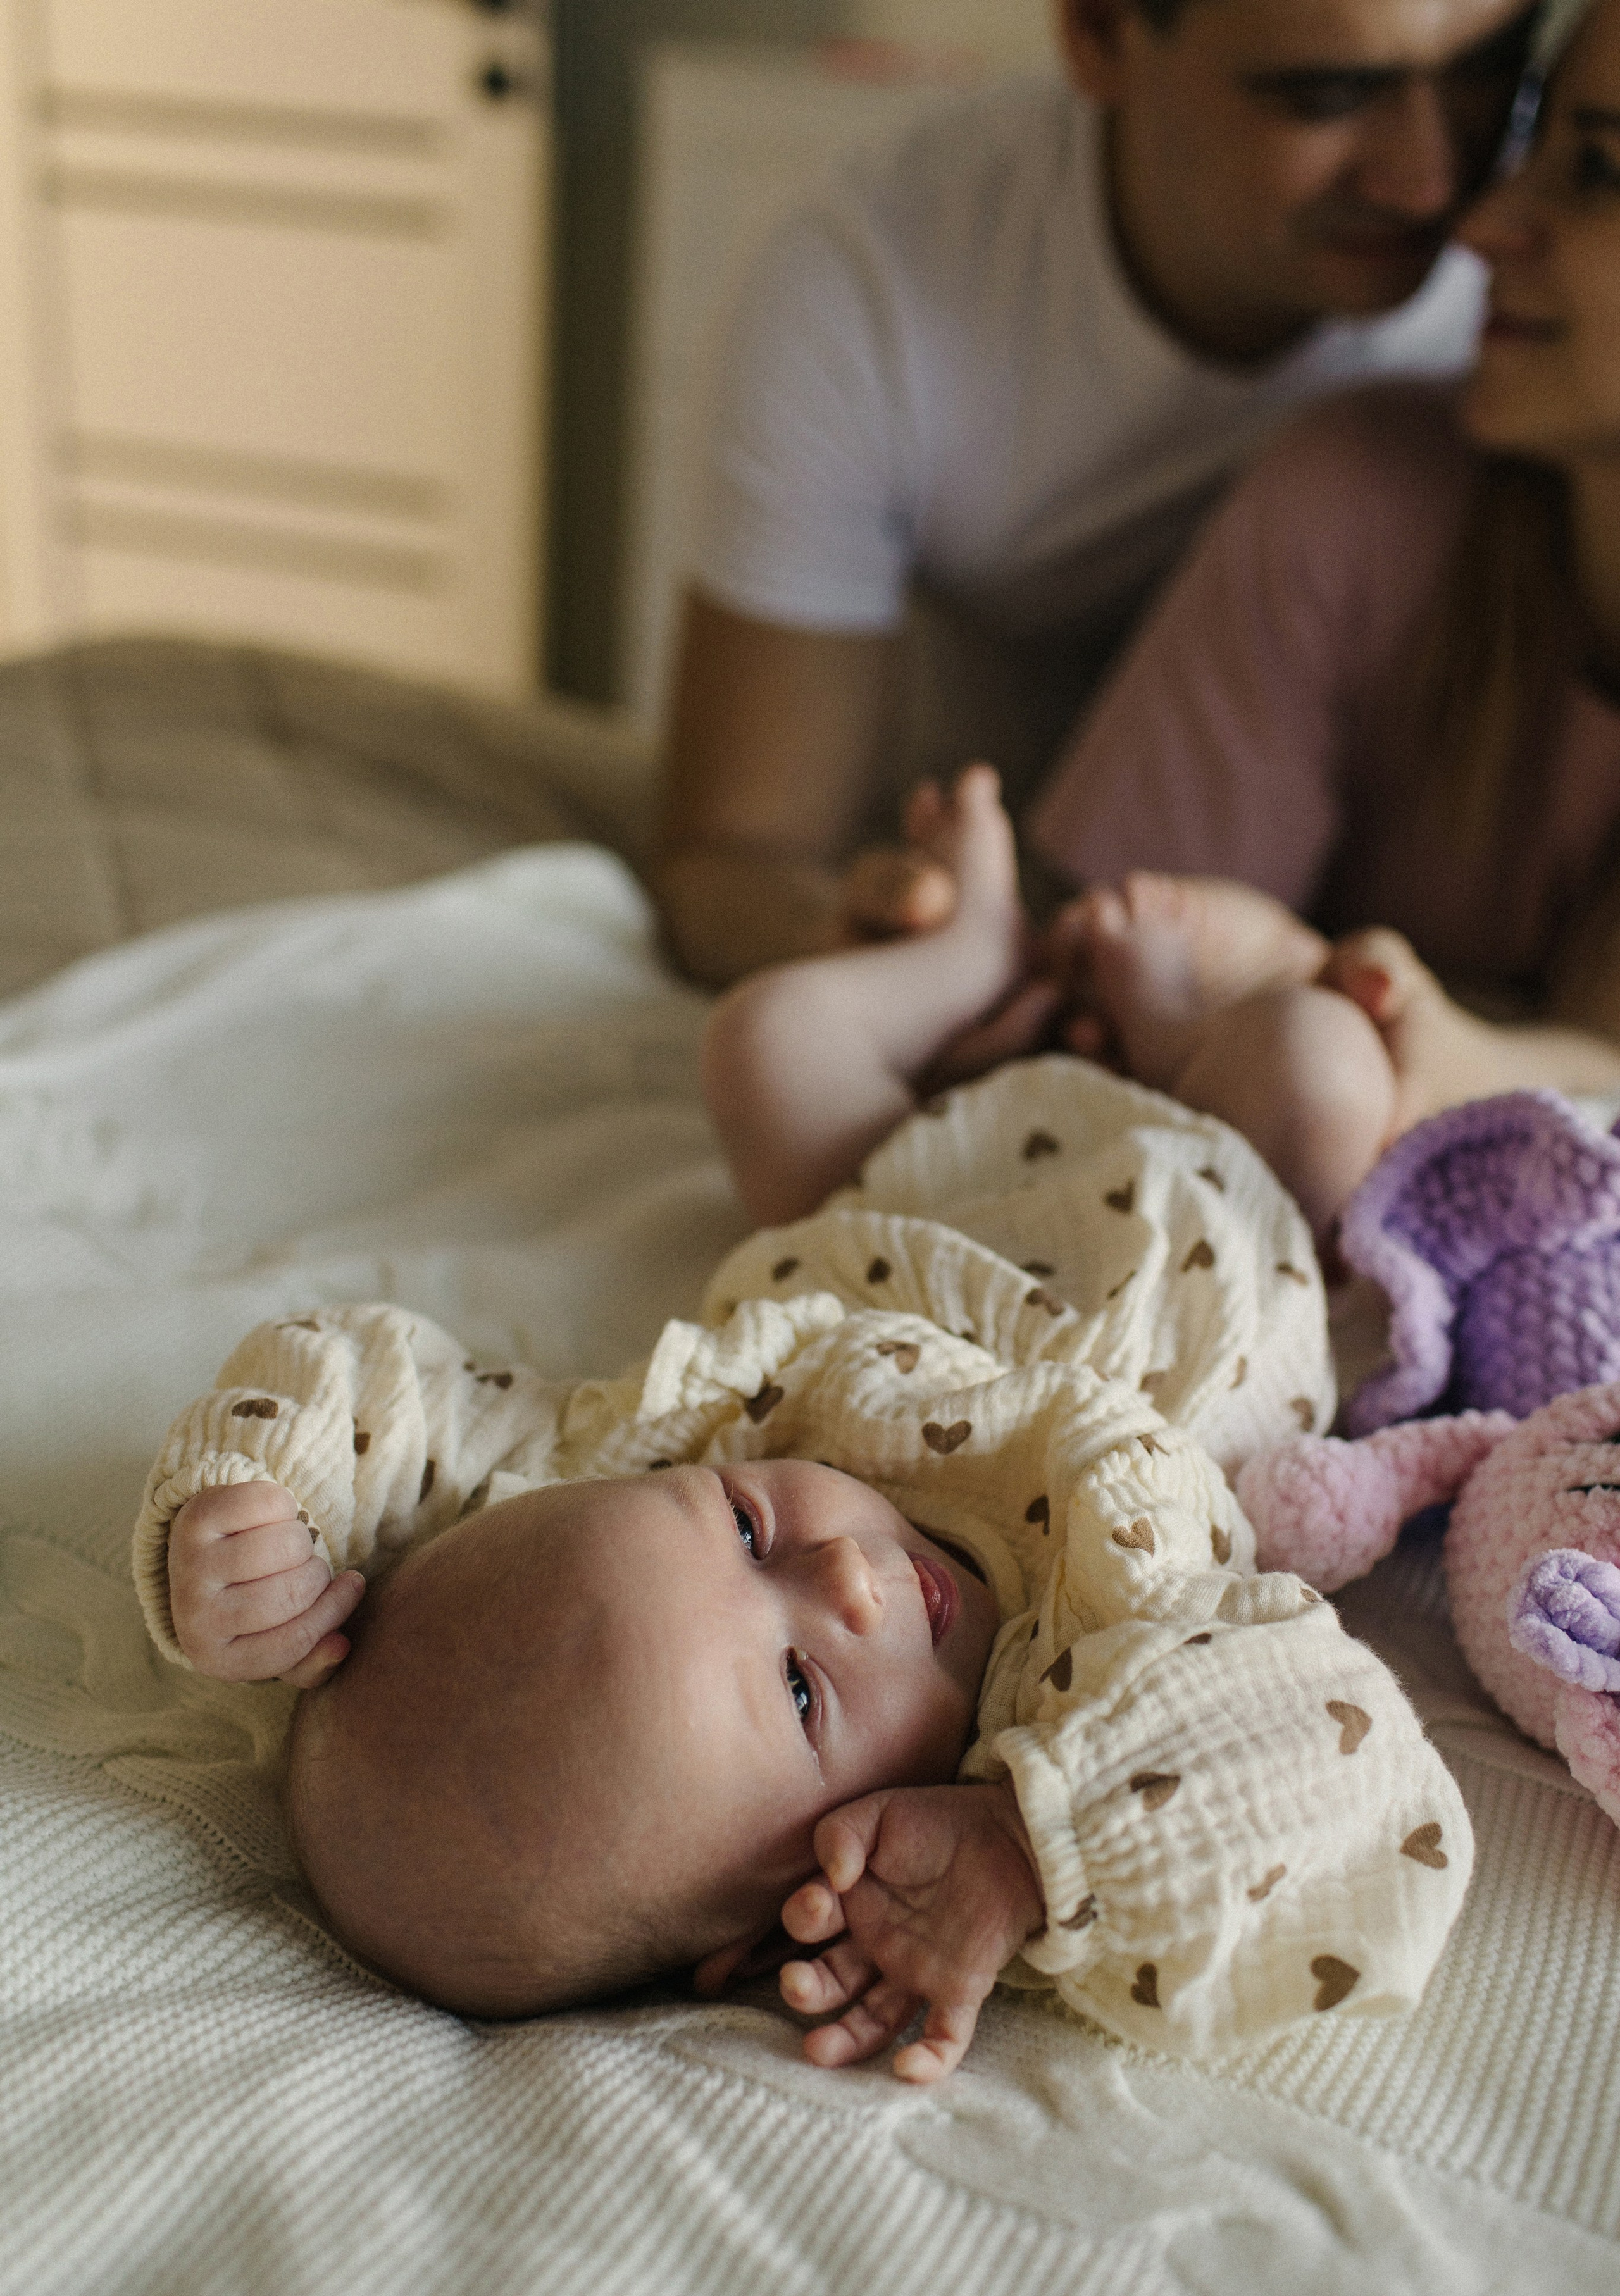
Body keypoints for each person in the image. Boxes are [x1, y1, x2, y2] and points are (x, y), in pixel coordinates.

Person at [135, 773, 1469, 2084]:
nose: (835, 1575)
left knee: (760, 1046)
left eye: (744, 1522)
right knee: (1315, 1061)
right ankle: (1170, 1033)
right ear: (781, 1916)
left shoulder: (645, 1451)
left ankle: (965, 960)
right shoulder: (1070, 1690)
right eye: (795, 1688)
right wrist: (1036, 1850)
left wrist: (262, 1505)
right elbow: (1345, 1773)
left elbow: (385, 1392)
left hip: (923, 1176)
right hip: (1221, 1222)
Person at [654, 0, 1538, 985]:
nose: (1430, 182)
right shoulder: (870, 289)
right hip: (993, 873)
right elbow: (734, 858)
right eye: (1322, 94)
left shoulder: (1541, 285)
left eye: (1492, 70)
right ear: (1099, 34)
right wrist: (897, 949)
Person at [1024, 0, 1620, 1215]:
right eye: (1533, 136)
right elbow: (1102, 1021)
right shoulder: (1357, 496)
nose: (1482, 219)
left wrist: (1415, 1044)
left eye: (1601, 170)